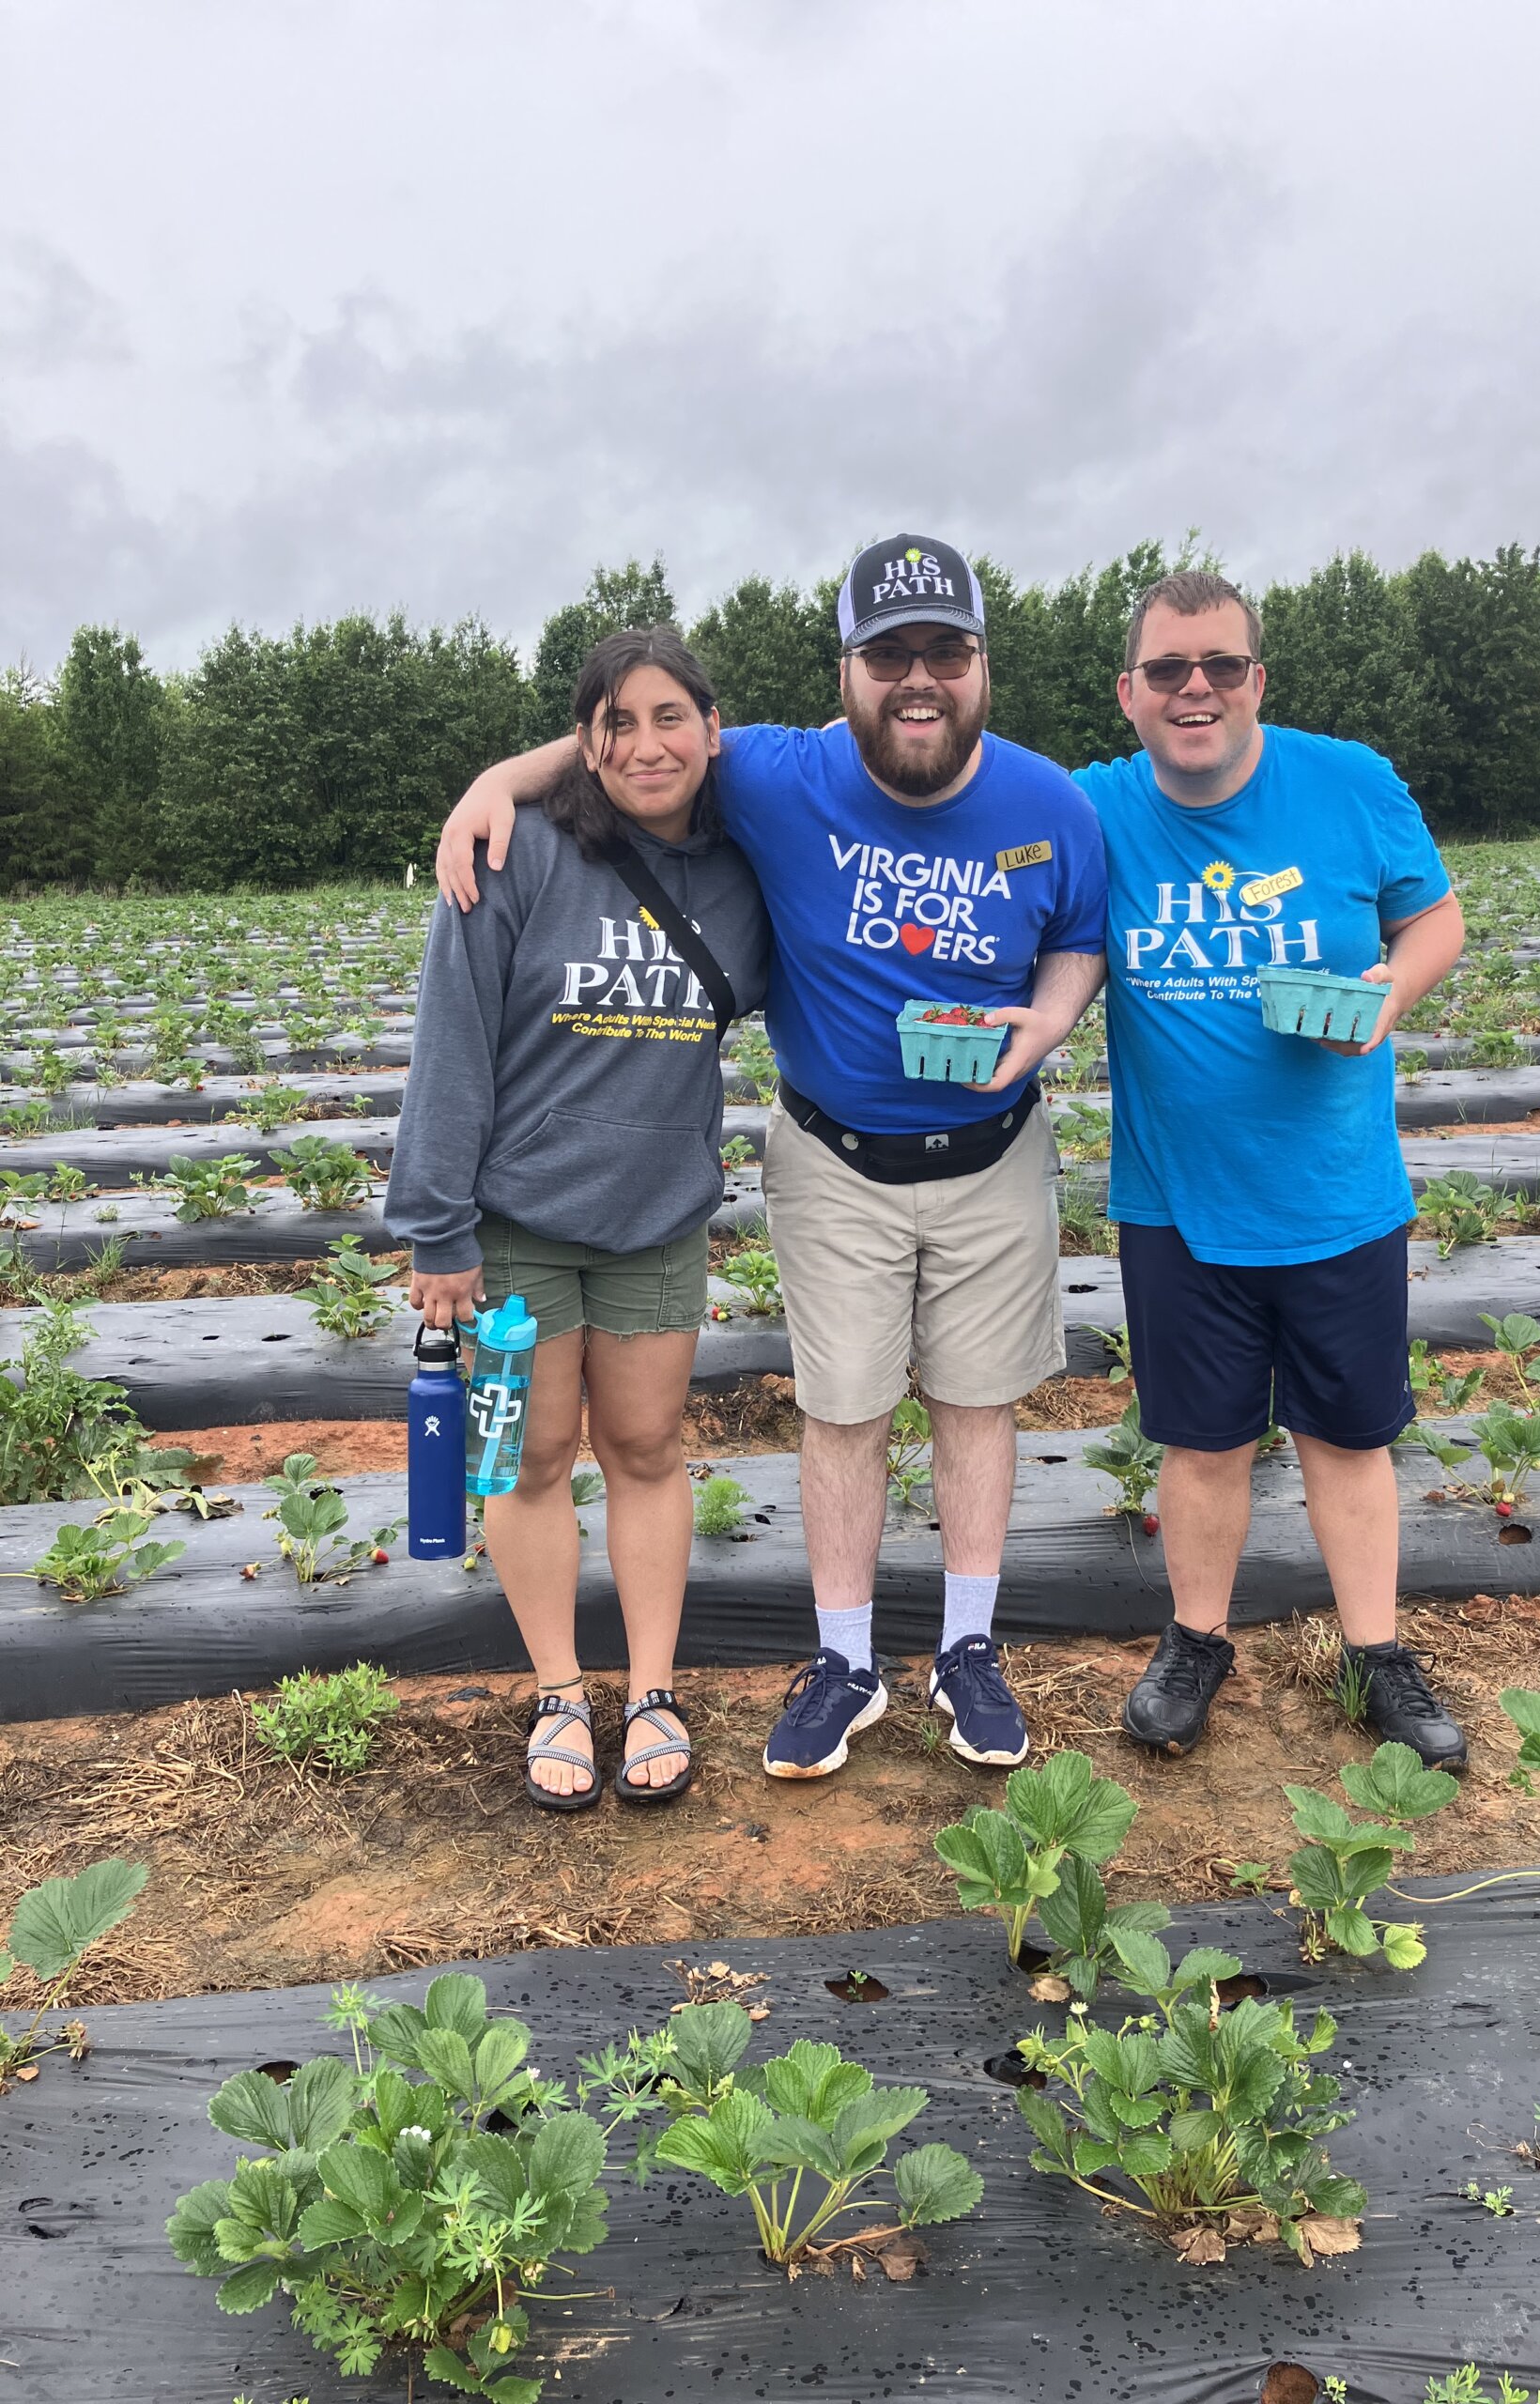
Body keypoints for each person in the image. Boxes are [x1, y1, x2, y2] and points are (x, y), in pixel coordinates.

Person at [435, 535, 1108, 1782]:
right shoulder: (781, 772)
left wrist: (1056, 1016)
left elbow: (1078, 932)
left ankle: (968, 1650)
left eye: (943, 652)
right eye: (889, 653)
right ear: (845, 668)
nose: (919, 678)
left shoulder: (1053, 803)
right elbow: (637, 739)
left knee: (975, 1403)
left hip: (994, 1153)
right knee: (842, 1407)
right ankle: (842, 1662)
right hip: (832, 1158)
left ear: (979, 665)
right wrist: (494, 780)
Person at [1071, 569, 1469, 1767]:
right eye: (1169, 671)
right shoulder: (1091, 810)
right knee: (1203, 1442)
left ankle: (1378, 1652)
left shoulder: (1350, 781)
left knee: (1349, 1436)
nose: (1197, 689)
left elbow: (1435, 917)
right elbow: (934, 784)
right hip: (1178, 1201)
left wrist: (1386, 996)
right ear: (1129, 693)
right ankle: (1197, 1641)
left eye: (1222, 667)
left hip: (1338, 1190)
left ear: (1258, 681)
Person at [386, 627, 769, 1811]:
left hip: (659, 1222)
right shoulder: (517, 856)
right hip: (514, 1229)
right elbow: (451, 1041)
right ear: (585, 743)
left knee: (649, 1450)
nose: (646, 745)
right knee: (525, 1454)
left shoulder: (748, 867)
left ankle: (651, 1686)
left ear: (709, 730)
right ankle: (559, 1688)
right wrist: (436, 1227)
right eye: (616, 724)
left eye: (671, 718)